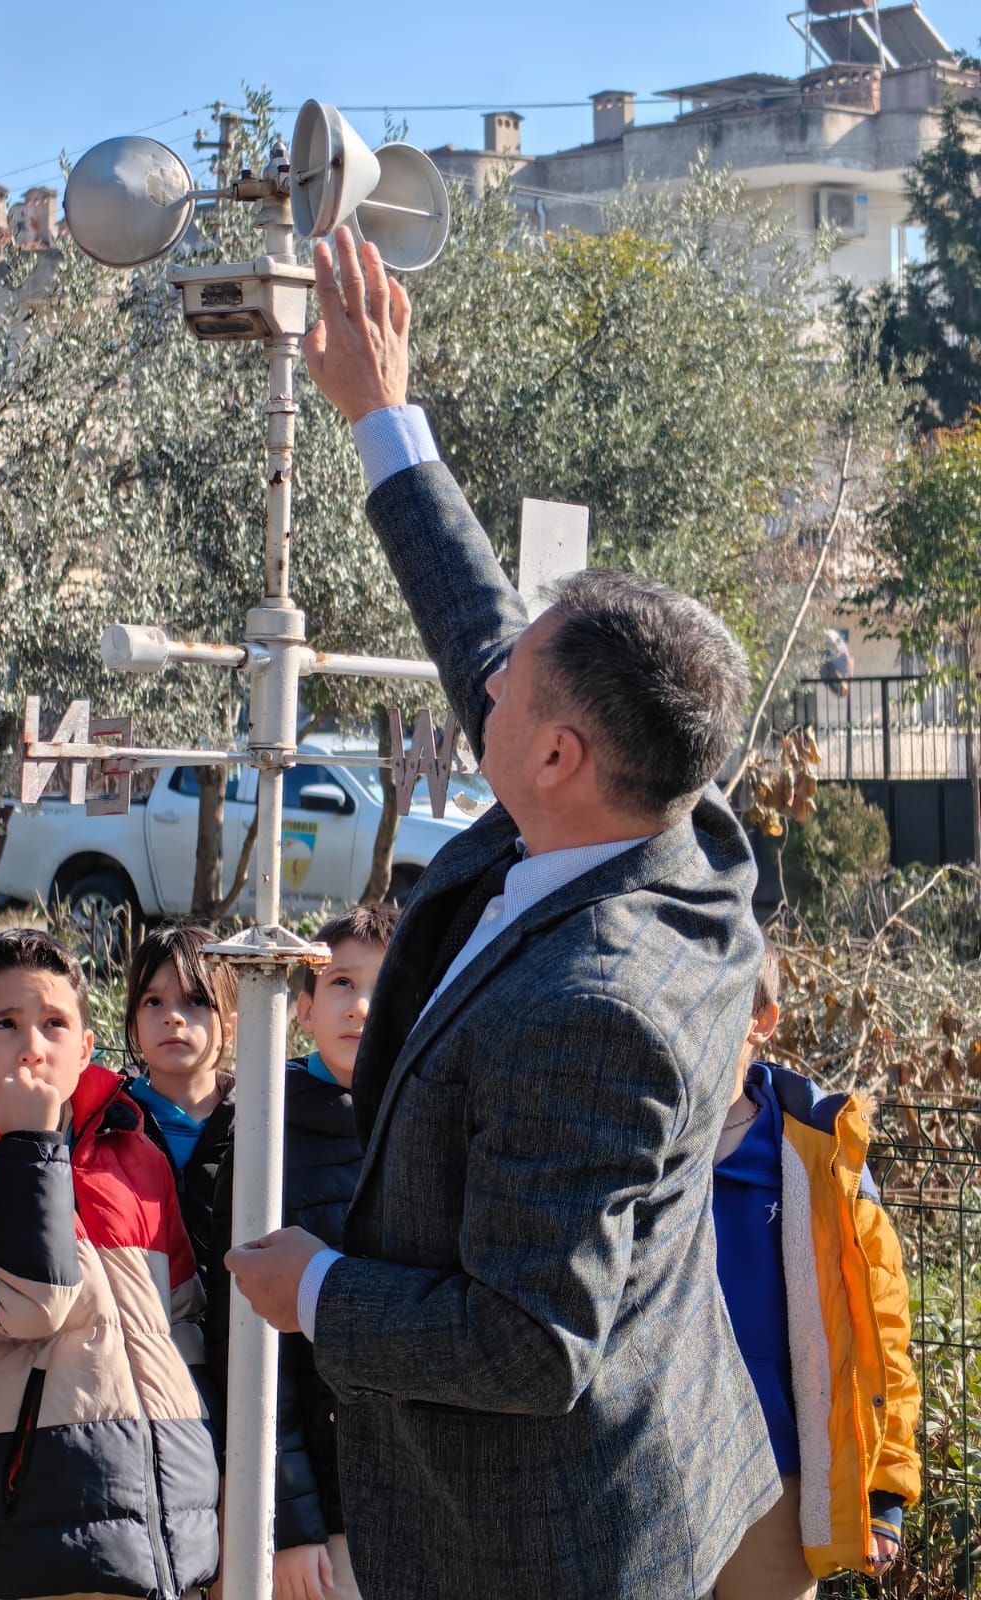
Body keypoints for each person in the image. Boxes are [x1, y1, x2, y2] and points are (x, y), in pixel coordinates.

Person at [225, 229, 780, 1600]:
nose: (483, 681)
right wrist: (380, 415)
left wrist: (315, 1292)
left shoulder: (593, 1011)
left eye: (514, 684)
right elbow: (478, 625)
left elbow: (531, 1344)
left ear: (557, 761)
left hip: (542, 1549)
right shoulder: (683, 827)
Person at [0, 927, 220, 1600]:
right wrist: (31, 1142)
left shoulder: (137, 1155)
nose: (34, 1046)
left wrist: (203, 1508)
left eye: (55, 1023)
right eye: (5, 1024)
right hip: (22, 1548)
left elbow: (183, 1330)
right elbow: (33, 1303)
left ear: (87, 1046)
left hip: (164, 1545)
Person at [713, 944, 921, 1599]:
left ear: (763, 1019)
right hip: (648, 1474)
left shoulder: (820, 1155)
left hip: (777, 1478)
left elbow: (879, 1327)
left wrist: (883, 1489)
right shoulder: (630, 1141)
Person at [209, 902, 397, 1600]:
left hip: (428, 1498)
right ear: (305, 1003)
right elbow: (246, 1337)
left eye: (382, 984)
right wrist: (288, 1521)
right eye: (342, 983)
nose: (362, 1006)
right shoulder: (265, 1131)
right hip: (326, 1510)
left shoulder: (432, 1124)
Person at [125, 923, 238, 1290]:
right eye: (153, 1001)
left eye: (196, 1000)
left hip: (233, 1334)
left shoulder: (257, 1123)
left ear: (231, 1027)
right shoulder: (109, 1123)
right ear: (133, 1024)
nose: (173, 1017)